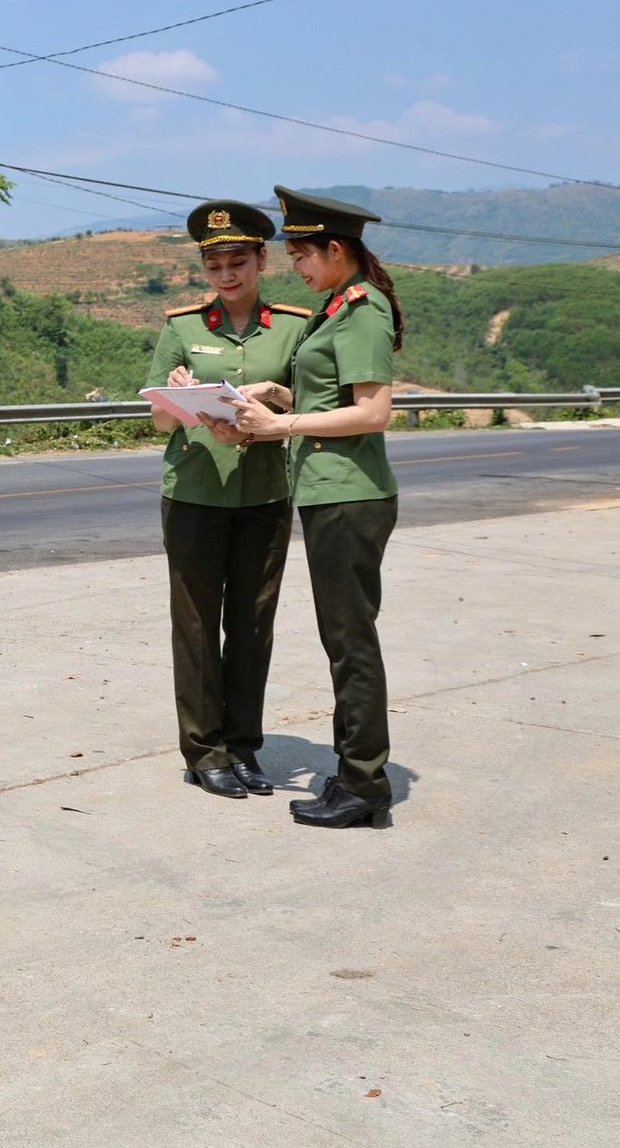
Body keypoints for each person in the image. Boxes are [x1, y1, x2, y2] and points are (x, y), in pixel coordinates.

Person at [224, 186, 406, 828]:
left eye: (301, 254)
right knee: (343, 638)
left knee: (351, 641)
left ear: (336, 250)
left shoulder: (363, 309)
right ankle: (352, 772)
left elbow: (374, 410)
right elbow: (328, 390)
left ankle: (365, 784)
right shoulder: (334, 307)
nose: (295, 266)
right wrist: (273, 391)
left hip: (350, 495)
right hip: (330, 493)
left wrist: (282, 426)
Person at [145, 201, 311, 799]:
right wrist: (181, 399)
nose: (226, 275)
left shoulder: (294, 326)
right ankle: (204, 750)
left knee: (251, 625)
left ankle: (243, 747)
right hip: (193, 493)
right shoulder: (182, 327)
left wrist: (273, 394)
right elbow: (161, 422)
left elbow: (312, 401)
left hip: (264, 492)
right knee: (194, 625)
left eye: (238, 262)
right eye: (215, 265)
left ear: (262, 260)